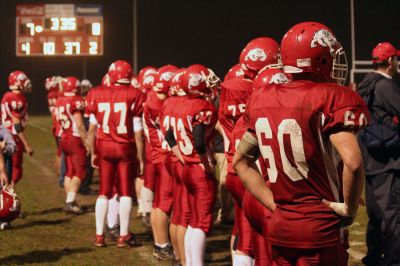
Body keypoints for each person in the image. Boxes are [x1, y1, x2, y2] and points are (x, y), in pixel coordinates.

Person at [233, 21, 368, 266]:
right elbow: (354, 162)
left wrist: (277, 206)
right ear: (321, 60)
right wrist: (348, 209)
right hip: (320, 232)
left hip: (281, 228)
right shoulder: (331, 97)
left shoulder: (263, 98)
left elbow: (240, 161)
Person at [165, 64, 220, 265]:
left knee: (192, 221)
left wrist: (180, 154)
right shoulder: (203, 107)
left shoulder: (179, 104)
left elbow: (169, 135)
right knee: (202, 223)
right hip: (197, 168)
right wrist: (206, 163)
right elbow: (198, 140)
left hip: (186, 166)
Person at [87, 60, 145, 248]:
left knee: (103, 192)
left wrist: (92, 152)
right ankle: (123, 235)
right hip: (124, 147)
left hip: (103, 145)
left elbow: (91, 130)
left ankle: (99, 235)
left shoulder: (96, 93)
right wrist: (141, 157)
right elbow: (137, 131)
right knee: (125, 192)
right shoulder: (135, 94)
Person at [357, 42, 400, 266]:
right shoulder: (384, 86)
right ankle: (392, 261)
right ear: (390, 61)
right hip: (388, 161)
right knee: (392, 217)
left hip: (371, 159)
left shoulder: (366, 84)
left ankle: (373, 258)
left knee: (376, 216)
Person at [143, 65, 177, 260]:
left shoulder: (152, 99)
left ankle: (159, 243)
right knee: (165, 204)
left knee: (158, 203)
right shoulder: (162, 104)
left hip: (156, 153)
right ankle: (163, 245)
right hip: (165, 154)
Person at [55, 76, 89, 215]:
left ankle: (70, 200)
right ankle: (70, 202)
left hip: (63, 137)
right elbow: (79, 123)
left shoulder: (60, 100)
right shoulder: (76, 100)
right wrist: (86, 140)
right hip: (74, 138)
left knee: (69, 171)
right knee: (80, 172)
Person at [1, 70, 34, 188]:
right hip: (12, 137)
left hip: (4, 135)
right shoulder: (17, 98)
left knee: (6, 168)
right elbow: (16, 125)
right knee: (15, 170)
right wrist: (26, 144)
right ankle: (9, 199)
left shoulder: (7, 95)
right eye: (23, 79)